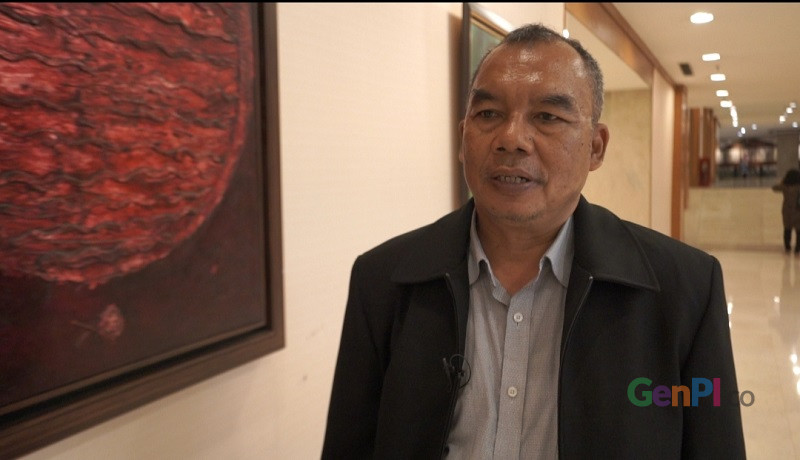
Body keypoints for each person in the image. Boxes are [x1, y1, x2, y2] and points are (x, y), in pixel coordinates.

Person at [322, 23, 745, 459]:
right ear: (463, 138)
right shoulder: (382, 281)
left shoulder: (686, 289)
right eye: (489, 114)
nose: (511, 139)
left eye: (547, 117)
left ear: (596, 147)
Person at [772, 168, 800, 254]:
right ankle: (797, 248)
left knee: (787, 229)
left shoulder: (784, 187)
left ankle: (787, 246)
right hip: (798, 211)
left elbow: (774, 188)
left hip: (786, 211)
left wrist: (783, 181)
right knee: (798, 230)